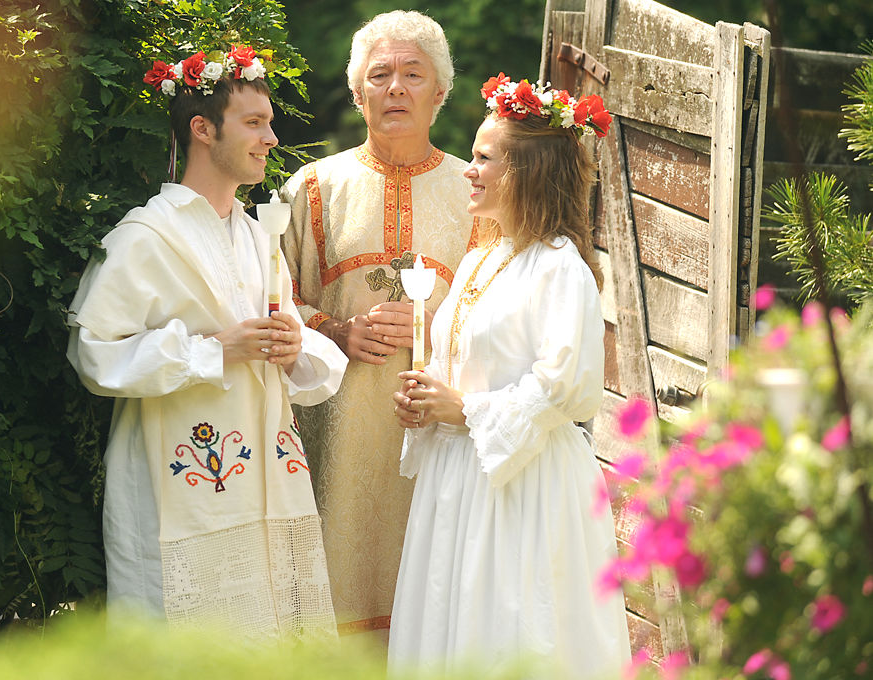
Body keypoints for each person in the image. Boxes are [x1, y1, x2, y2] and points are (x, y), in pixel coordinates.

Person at [66, 44, 347, 640]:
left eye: (270, 123)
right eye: (254, 123)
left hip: (266, 482)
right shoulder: (144, 238)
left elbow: (291, 341)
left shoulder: (257, 235)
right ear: (201, 129)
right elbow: (95, 353)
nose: (271, 138)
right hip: (178, 484)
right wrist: (214, 350)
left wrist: (295, 349)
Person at [387, 74, 630, 676]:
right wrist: (426, 402)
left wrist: (463, 410)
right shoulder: (479, 259)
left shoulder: (559, 268)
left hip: (523, 482)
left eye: (483, 158)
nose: (468, 169)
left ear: (526, 173)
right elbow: (456, 363)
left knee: (512, 622)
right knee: (449, 617)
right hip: (457, 478)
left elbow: (564, 385)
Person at [279, 10, 478, 638]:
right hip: (336, 440)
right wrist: (338, 331)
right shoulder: (312, 188)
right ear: (357, 92)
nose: (396, 88)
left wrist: (439, 321)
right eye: (380, 75)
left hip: (445, 438)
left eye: (413, 75)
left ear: (440, 93)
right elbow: (270, 303)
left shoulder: (478, 193)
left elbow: (503, 306)